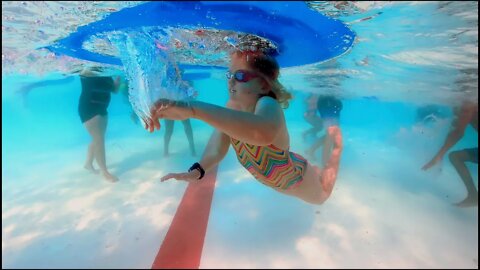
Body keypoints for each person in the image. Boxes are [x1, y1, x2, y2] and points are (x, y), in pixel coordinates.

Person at [144, 50, 343, 205]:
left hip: (297, 181)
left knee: (324, 194)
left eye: (240, 75)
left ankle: (335, 147)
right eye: (230, 74)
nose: (231, 80)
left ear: (264, 86)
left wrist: (192, 109)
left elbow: (260, 133)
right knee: (320, 177)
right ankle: (321, 162)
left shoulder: (267, 104)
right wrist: (198, 170)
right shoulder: (232, 108)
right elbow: (216, 147)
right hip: (277, 180)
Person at [422, 100, 478, 207]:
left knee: (455, 157)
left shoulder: (468, 102)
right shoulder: (464, 102)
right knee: (455, 157)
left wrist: (438, 156)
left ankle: (474, 195)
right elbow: (455, 129)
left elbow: (458, 133)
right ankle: (473, 195)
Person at [79, 67, 122, 182]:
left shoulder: (107, 72)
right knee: (99, 139)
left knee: (97, 138)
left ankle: (88, 163)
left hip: (102, 108)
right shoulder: (87, 70)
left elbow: (114, 90)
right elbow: (85, 72)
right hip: (89, 108)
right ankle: (104, 172)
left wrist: (117, 82)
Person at [163, 61, 197, 157]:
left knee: (187, 127)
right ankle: (165, 150)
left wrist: (193, 94)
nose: (179, 73)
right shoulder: (167, 81)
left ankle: (192, 148)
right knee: (169, 130)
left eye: (180, 71)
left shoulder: (187, 82)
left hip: (181, 105)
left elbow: (191, 95)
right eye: (178, 71)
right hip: (170, 106)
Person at [306, 95, 343, 165]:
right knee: (330, 136)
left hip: (331, 105)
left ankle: (311, 150)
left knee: (331, 135)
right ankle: (325, 165)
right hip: (328, 105)